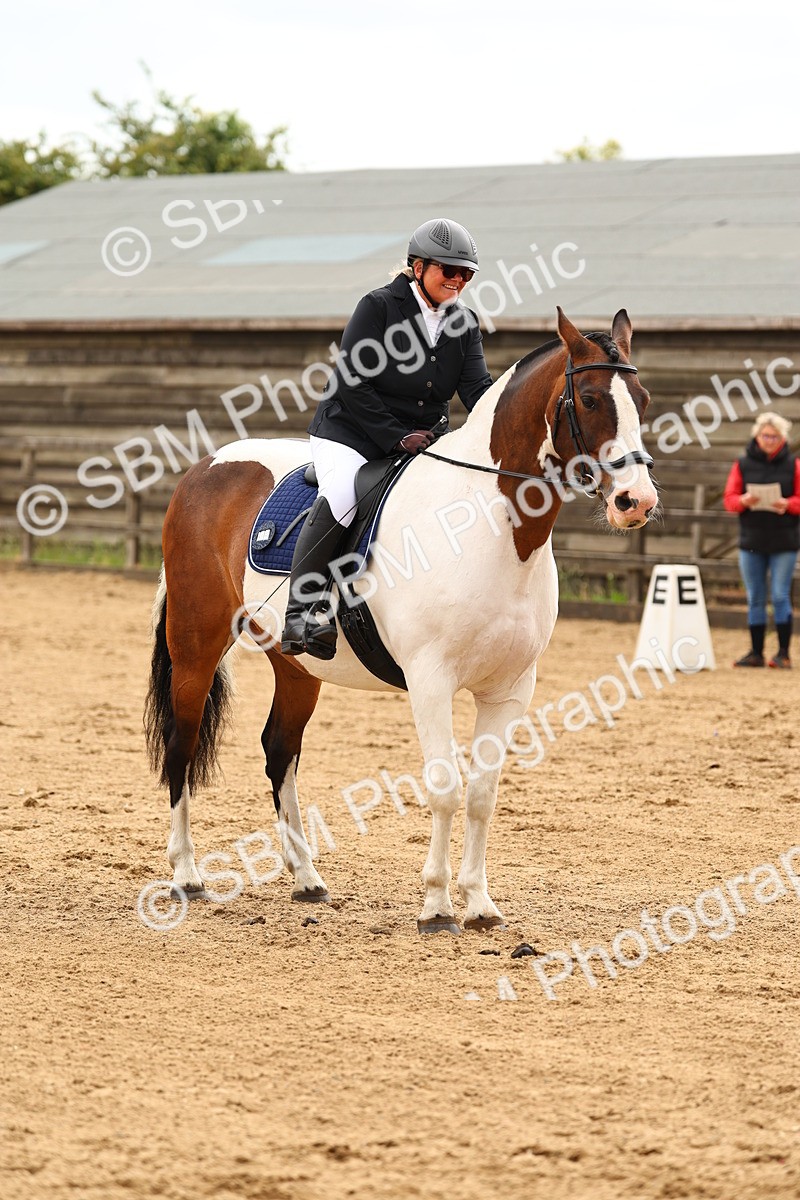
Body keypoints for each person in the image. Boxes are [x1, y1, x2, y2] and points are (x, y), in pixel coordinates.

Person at [280, 218, 494, 659]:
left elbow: (476, 392)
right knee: (342, 495)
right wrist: (396, 437)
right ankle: (301, 611)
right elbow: (353, 380)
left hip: (422, 440)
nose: (457, 281)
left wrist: (509, 417)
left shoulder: (464, 323)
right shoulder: (378, 307)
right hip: (352, 431)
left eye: (466, 274)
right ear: (418, 267)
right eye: (447, 271)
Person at [723, 411, 800, 668]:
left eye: (774, 436)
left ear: (782, 439)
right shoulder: (742, 463)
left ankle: (783, 654)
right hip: (752, 541)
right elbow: (729, 499)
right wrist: (743, 501)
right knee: (755, 597)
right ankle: (756, 653)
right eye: (765, 435)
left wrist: (788, 504)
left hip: (784, 542)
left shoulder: (793, 465)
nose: (769, 440)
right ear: (757, 436)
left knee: (780, 596)